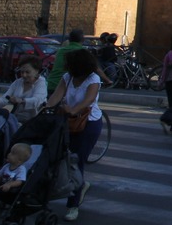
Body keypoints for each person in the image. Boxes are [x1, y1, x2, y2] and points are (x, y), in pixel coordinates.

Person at [46, 47, 101, 221]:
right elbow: (56, 96)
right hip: (68, 122)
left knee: (76, 162)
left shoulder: (93, 79)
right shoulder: (67, 78)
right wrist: (46, 108)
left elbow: (89, 100)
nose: (67, 66)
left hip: (88, 123)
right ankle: (80, 184)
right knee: (57, 158)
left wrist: (73, 110)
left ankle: (73, 205)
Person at [0, 55, 47, 122]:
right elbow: (4, 99)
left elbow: (37, 100)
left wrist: (22, 101)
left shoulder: (41, 83)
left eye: (27, 72)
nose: (24, 75)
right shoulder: (18, 82)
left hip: (34, 120)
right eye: (22, 72)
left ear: (36, 71)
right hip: (16, 118)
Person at [48, 29, 86, 96]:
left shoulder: (60, 51)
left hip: (51, 84)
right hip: (67, 87)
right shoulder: (82, 51)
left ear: (69, 40)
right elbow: (95, 68)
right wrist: (107, 80)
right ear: (83, 40)